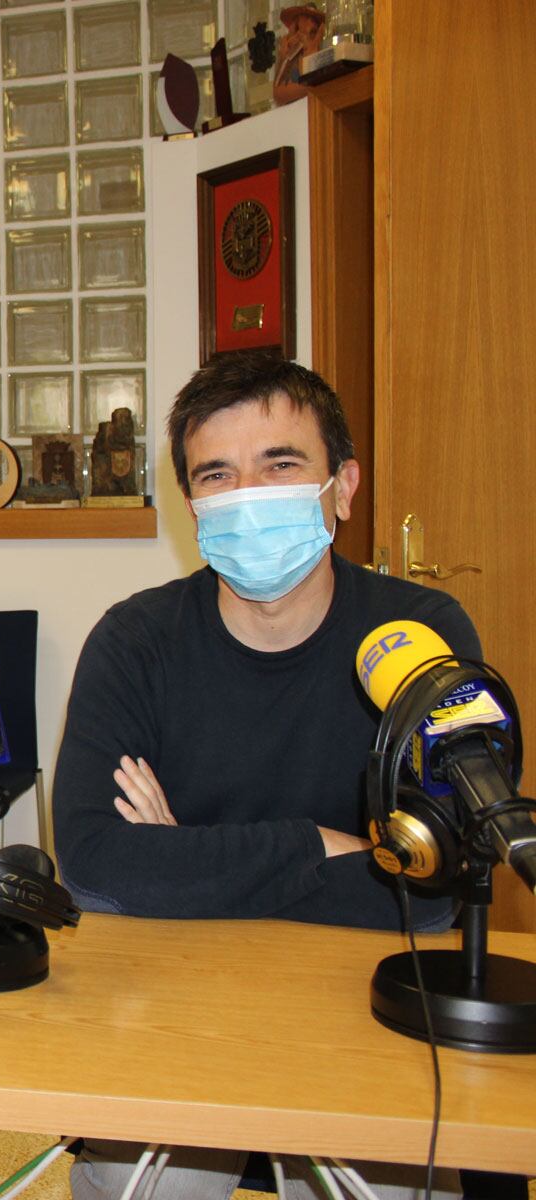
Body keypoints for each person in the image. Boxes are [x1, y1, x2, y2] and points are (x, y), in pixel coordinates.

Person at [54, 351, 474, 1200]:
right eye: (218, 476)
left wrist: (188, 857)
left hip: (368, 998)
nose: (248, 496)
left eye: (280, 465)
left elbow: (436, 890)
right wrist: (327, 847)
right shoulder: (135, 643)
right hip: (175, 991)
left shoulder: (424, 634)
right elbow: (97, 861)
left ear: (342, 487)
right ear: (194, 508)